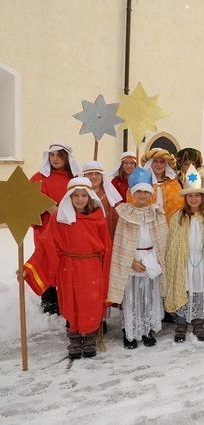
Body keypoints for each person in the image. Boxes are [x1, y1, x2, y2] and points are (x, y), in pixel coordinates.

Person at [24, 177, 111, 359]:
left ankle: (89, 338)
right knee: (71, 301)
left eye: (83, 196)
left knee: (90, 302)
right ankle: (74, 337)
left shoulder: (99, 219)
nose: (80, 199)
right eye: (75, 196)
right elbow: (46, 246)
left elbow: (107, 248)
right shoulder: (59, 219)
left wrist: (106, 271)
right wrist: (31, 268)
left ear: (90, 198)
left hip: (91, 267)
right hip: (69, 268)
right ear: (69, 198)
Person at [109, 167, 168, 349]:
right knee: (132, 298)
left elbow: (163, 238)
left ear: (150, 193)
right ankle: (130, 332)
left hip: (152, 258)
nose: (142, 195)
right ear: (133, 193)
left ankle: (147, 329)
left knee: (149, 296)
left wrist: (156, 258)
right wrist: (131, 261)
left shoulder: (156, 213)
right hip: (132, 259)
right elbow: (121, 243)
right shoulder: (126, 214)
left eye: (146, 191)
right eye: (139, 191)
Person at [164, 164, 204, 343]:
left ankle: (198, 323)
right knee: (184, 289)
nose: (194, 199)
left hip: (202, 262)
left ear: (202, 197)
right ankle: (181, 324)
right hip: (183, 262)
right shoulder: (178, 217)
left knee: (199, 290)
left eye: (197, 195)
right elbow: (172, 243)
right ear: (185, 197)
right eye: (190, 195)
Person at [30, 143, 81, 315]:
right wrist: (47, 205)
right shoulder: (39, 177)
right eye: (52, 155)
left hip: (68, 230)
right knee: (48, 260)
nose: (55, 159)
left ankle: (66, 298)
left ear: (67, 158)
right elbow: (28, 199)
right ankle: (49, 300)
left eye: (59, 155)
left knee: (66, 263)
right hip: (45, 228)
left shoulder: (74, 178)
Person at [140, 148, 184, 222]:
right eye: (155, 161)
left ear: (166, 165)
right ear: (150, 163)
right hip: (147, 227)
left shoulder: (174, 185)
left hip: (168, 227)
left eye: (162, 162)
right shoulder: (142, 184)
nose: (159, 165)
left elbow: (179, 207)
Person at [82, 161, 123, 239]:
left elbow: (115, 219)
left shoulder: (110, 195)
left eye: (97, 174)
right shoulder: (79, 196)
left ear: (102, 176)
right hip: (85, 235)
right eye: (90, 174)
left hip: (106, 235)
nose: (94, 177)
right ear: (84, 176)